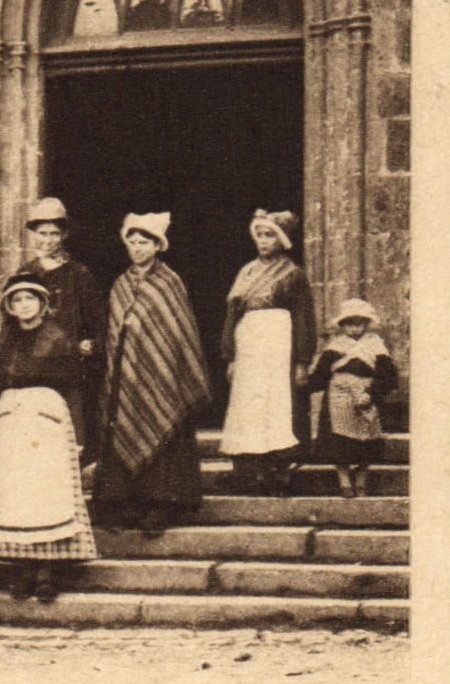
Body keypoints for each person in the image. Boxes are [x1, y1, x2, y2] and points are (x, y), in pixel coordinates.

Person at [93, 213, 213, 535]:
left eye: (143, 242)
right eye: (131, 243)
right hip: (125, 375)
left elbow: (179, 334)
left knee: (161, 428)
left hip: (162, 377)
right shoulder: (120, 284)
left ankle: (161, 504)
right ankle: (129, 502)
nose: (137, 248)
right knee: (124, 429)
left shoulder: (169, 283)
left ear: (158, 245)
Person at [0, 273, 99, 602]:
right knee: (17, 493)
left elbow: (74, 386)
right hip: (10, 417)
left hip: (47, 414)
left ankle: (47, 571)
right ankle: (23, 570)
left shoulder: (58, 337)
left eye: (30, 299)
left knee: (47, 491)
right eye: (17, 300)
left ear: (43, 303)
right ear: (9, 306)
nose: (24, 306)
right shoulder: (2, 341)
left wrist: (78, 432)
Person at [220, 209, 316, 494]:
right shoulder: (246, 272)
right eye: (259, 235)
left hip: (278, 343)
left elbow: (303, 318)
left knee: (277, 404)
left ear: (282, 239)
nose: (263, 241)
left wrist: (301, 360)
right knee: (249, 402)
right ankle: (250, 470)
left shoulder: (292, 274)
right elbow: (232, 314)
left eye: (270, 235)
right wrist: (231, 355)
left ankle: (279, 469)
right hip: (249, 342)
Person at [18, 197, 106, 460]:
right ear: (32, 235)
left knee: (70, 436)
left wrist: (91, 344)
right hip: (33, 367)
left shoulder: (78, 274)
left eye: (54, 234)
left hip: (70, 369)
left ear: (64, 236)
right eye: (42, 233)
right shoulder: (24, 274)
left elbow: (97, 320)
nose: (48, 240)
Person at [308, 299, 399, 498]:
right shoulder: (335, 346)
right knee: (339, 442)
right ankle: (344, 481)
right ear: (342, 325)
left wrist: (372, 394)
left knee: (368, 440)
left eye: (359, 323)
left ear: (367, 324)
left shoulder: (376, 345)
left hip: (367, 394)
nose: (354, 328)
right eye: (349, 323)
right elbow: (321, 374)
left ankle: (361, 480)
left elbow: (388, 374)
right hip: (339, 396)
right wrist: (308, 383)